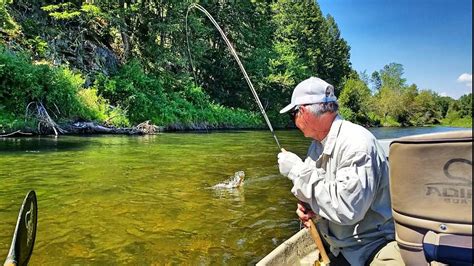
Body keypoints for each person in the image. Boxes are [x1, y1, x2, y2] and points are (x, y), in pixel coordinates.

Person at [277, 77, 403, 266]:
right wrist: (309, 207)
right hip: (339, 244)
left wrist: (296, 170)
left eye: (293, 114)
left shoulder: (357, 144)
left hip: (371, 247)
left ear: (302, 111)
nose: (294, 121)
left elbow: (348, 210)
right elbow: (319, 189)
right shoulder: (316, 145)